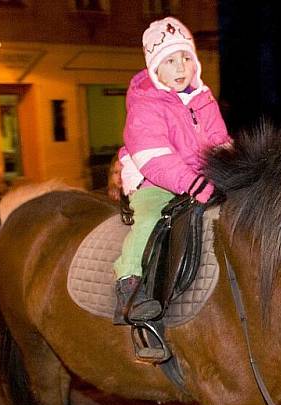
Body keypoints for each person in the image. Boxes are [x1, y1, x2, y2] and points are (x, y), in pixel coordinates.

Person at [114, 16, 231, 342]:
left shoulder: (203, 98)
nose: (181, 67)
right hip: (155, 179)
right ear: (154, 68)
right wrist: (193, 184)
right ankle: (130, 280)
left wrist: (232, 171)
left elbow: (219, 141)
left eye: (186, 58)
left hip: (199, 177)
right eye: (170, 60)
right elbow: (155, 157)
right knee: (152, 216)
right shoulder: (145, 103)